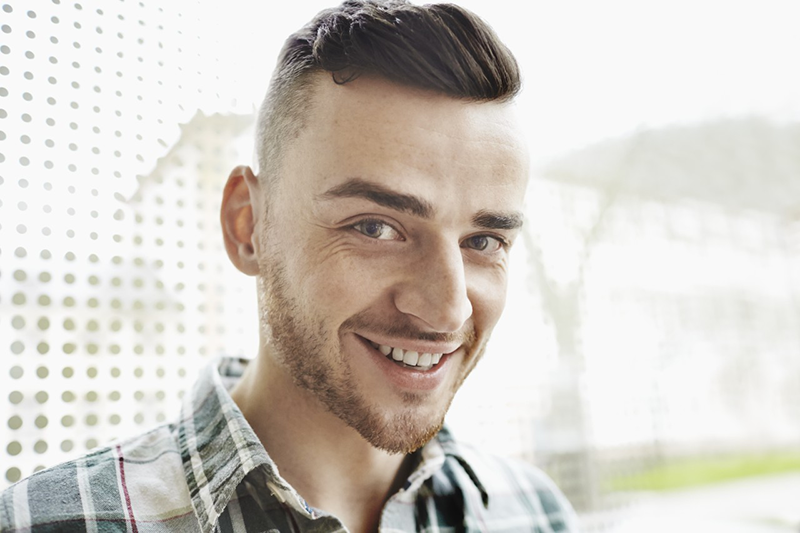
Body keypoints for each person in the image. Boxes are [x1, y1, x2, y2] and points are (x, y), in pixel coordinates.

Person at [0, 1, 578, 531]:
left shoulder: (537, 513)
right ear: (247, 225)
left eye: (483, 241)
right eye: (375, 227)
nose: (448, 308)